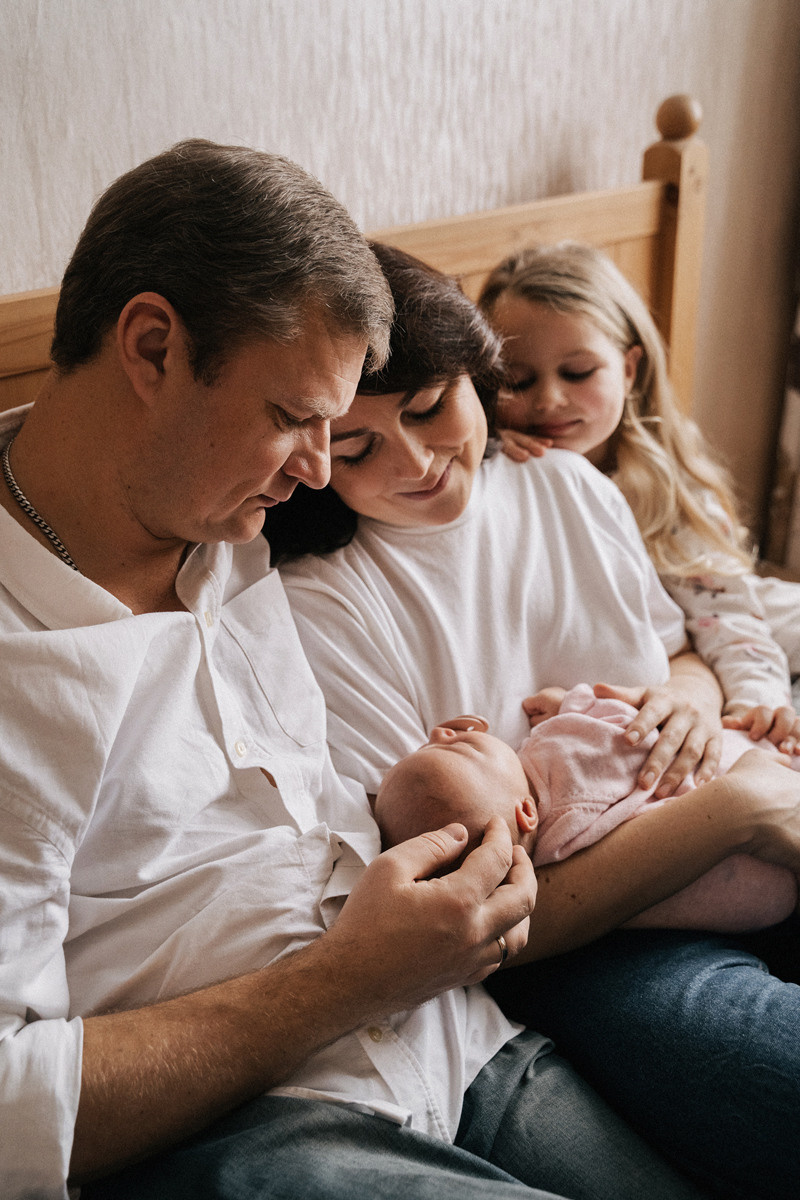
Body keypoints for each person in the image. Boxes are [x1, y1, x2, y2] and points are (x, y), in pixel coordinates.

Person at [0, 140, 711, 1200]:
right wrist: (343, 981)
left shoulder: (236, 526)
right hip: (246, 1125)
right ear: (150, 347)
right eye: (294, 421)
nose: (320, 472)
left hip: (452, 1037)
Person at [264, 241, 800, 1200]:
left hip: (742, 819)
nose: (421, 462)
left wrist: (691, 696)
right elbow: (482, 923)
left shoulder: (562, 483)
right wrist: (742, 812)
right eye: (359, 448)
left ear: (479, 376)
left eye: (433, 410)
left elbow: (672, 645)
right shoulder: (323, 605)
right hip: (600, 938)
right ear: (312, 454)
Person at [476, 241, 800, 750]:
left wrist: (757, 701)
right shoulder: (498, 471)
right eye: (517, 380)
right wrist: (484, 445)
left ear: (629, 369)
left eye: (578, 373)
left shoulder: (662, 487)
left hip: (721, 617)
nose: (548, 400)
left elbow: (729, 616)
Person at [375, 697, 798, 933]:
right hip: (755, 775)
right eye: (460, 747)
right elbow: (610, 717)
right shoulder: (552, 743)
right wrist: (567, 702)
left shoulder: (552, 859)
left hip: (760, 886)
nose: (440, 733)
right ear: (526, 814)